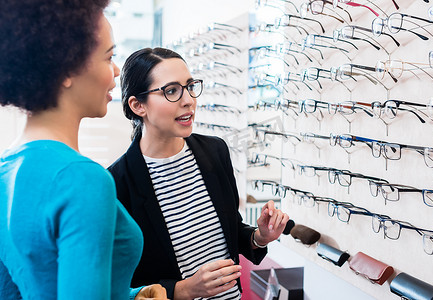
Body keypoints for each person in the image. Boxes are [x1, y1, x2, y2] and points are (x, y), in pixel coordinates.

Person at [0, 1, 166, 299]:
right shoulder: (82, 179)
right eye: (108, 57)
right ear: (66, 68)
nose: (116, 71)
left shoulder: (5, 168)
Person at [107, 47, 289, 300]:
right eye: (171, 91)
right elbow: (119, 284)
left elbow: (230, 232)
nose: (188, 100)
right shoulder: (116, 184)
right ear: (138, 105)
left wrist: (260, 237)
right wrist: (183, 290)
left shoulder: (214, 151)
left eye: (190, 86)